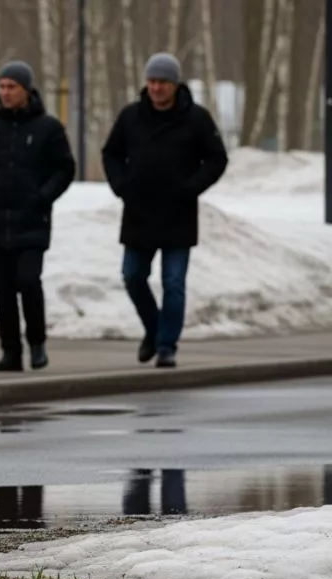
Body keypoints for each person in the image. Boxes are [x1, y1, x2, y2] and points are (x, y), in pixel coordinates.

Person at [101, 53, 227, 368]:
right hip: (139, 213)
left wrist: (191, 187)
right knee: (132, 276)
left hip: (178, 215)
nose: (156, 88)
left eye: (163, 82)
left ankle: (167, 345)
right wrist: (121, 185)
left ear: (175, 84)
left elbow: (216, 159)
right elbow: (111, 153)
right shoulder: (131, 116)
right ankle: (154, 328)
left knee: (173, 283)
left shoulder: (196, 118)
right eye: (152, 81)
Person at [0, 61, 76, 372]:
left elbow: (65, 168)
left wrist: (43, 197)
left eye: (12, 87)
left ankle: (37, 343)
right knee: (3, 291)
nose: (6, 92)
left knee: (28, 281)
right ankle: (10, 351)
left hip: (31, 220)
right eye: (1, 87)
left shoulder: (48, 128)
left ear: (27, 90)